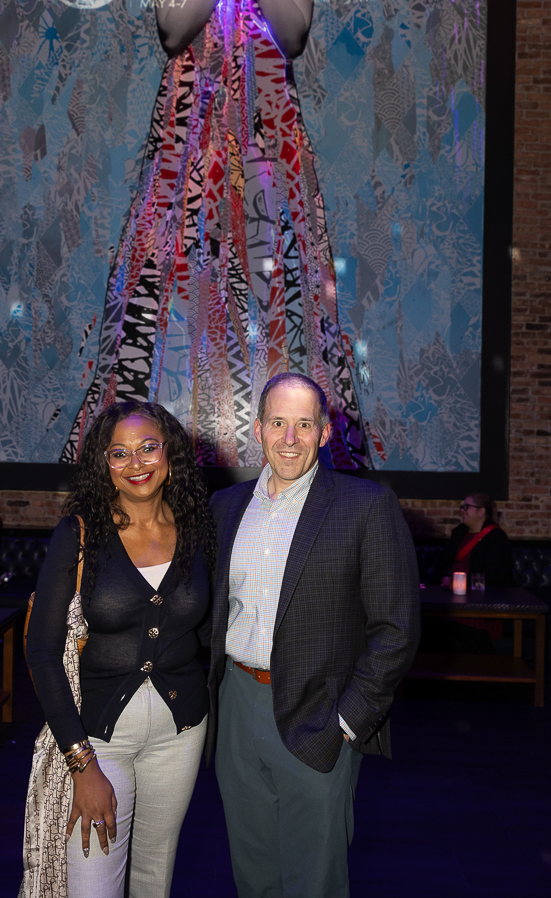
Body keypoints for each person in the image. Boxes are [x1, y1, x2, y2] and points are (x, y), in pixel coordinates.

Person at [61, 0, 371, 472]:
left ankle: (278, 457)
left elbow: (293, 33)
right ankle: (165, 454)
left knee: (276, 279)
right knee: (174, 275)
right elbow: (174, 27)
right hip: (191, 129)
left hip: (267, 129)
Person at [207, 372, 420, 898]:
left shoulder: (366, 506)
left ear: (324, 433)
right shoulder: (225, 507)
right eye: (278, 423)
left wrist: (347, 721)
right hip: (236, 706)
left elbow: (396, 629)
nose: (290, 438)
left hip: (320, 713)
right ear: (257, 429)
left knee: (314, 880)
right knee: (252, 872)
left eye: (304, 425)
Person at [25, 401, 214, 898]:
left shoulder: (197, 529)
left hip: (182, 732)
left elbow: (209, 629)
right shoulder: (79, 534)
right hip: (97, 738)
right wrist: (81, 763)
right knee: (93, 885)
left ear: (169, 453)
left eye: (148, 447)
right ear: (103, 464)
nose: (136, 463)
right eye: (119, 453)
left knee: (155, 879)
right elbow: (42, 651)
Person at [440, 493, 513, 588]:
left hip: (478, 590)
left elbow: (494, 574)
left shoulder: (496, 537)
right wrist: (445, 578)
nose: (462, 511)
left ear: (481, 511)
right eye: (462, 507)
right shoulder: (458, 532)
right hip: (451, 588)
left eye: (467, 507)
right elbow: (443, 561)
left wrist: (463, 584)